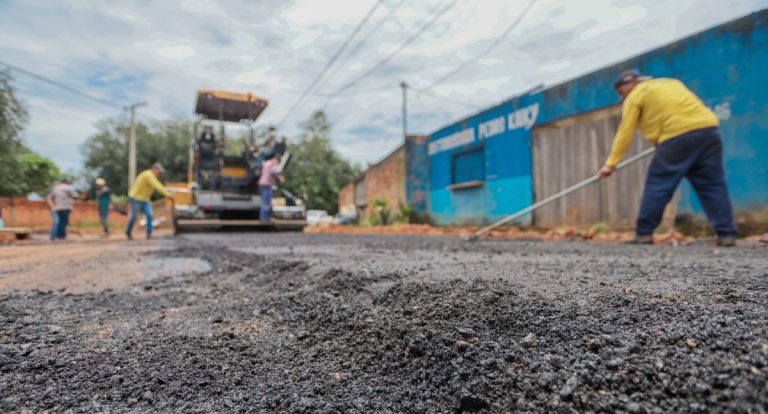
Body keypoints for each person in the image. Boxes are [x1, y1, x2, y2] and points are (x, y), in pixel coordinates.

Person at [597, 70, 737, 246]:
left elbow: (625, 132)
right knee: (712, 185)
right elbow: (681, 108)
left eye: (620, 92)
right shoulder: (671, 83)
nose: (621, 97)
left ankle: (643, 233)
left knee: (658, 184)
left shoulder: (636, 94)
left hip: (676, 135)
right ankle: (726, 234)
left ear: (630, 83)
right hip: (708, 131)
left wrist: (610, 164)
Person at [126, 163, 170, 240]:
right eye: (159, 171)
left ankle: (149, 234)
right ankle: (128, 232)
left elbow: (157, 185)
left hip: (146, 199)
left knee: (149, 215)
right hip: (135, 198)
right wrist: (167, 194)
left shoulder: (152, 176)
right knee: (134, 216)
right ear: (154, 169)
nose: (159, 174)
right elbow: (156, 185)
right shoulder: (148, 175)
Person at [258, 153, 284, 221]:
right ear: (278, 160)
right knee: (267, 202)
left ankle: (263, 217)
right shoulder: (273, 164)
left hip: (262, 183)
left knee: (264, 201)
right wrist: (279, 178)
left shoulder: (267, 163)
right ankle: (265, 218)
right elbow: (272, 173)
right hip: (266, 184)